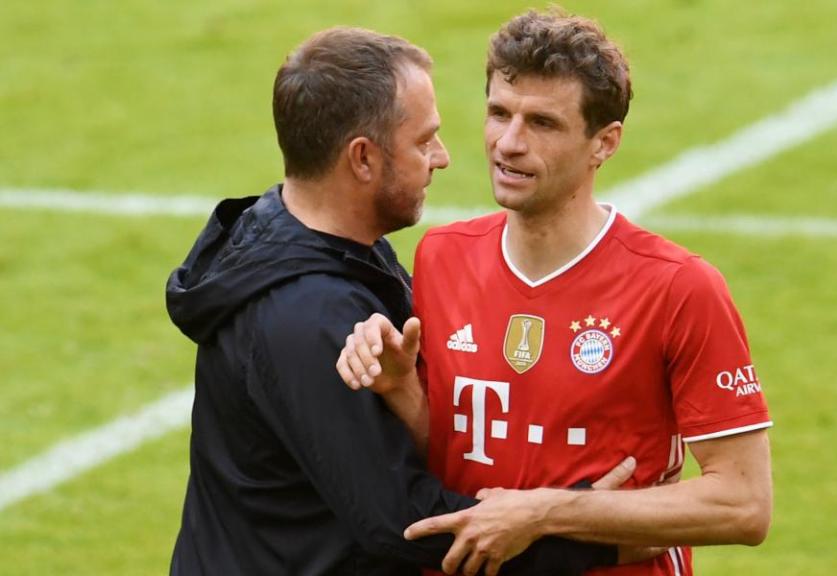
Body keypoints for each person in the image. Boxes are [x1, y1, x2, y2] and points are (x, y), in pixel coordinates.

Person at [165, 26, 622, 576]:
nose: (443, 157)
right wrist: (598, 535)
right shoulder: (310, 317)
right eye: (423, 140)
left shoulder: (306, 242)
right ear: (362, 159)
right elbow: (399, 522)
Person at [337, 9, 773, 576]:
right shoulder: (442, 255)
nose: (509, 143)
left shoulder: (677, 288)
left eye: (542, 123)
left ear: (605, 143)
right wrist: (401, 392)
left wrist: (546, 512)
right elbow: (461, 450)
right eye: (499, 113)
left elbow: (743, 504)